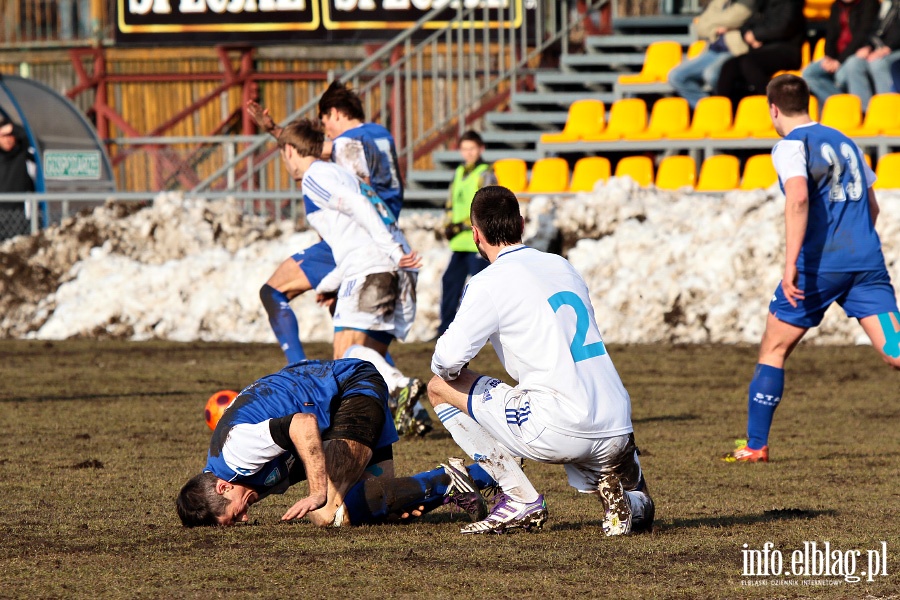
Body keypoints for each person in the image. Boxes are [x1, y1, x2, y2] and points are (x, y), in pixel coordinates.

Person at [427, 186, 655, 536]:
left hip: (558, 425)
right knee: (640, 508)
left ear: (476, 234)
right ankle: (628, 501)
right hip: (615, 420)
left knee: (439, 387)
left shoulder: (488, 281)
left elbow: (448, 359)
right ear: (521, 224)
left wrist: (458, 374)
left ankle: (519, 498)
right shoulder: (561, 265)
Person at [724, 74, 900, 463]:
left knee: (774, 347)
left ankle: (756, 445)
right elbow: (873, 207)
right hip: (866, 262)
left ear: (773, 108)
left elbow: (799, 198)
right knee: (894, 350)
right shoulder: (846, 141)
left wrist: (790, 265)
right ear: (809, 102)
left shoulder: (791, 146)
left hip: (819, 267)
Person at [176, 358, 498, 527]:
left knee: (329, 515)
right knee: (374, 504)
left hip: (351, 389)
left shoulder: (236, 454)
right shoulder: (224, 478)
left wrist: (319, 493)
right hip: (337, 412)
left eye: (235, 515)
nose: (245, 518)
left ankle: (457, 480)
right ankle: (479, 475)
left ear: (222, 487)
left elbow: (303, 425)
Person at [274, 118, 430, 435]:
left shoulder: (314, 175)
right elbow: (352, 236)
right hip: (390, 265)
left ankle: (401, 387)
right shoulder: (341, 173)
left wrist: (389, 249)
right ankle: (410, 414)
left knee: (346, 353)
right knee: (365, 356)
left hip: (376, 264)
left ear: (290, 151)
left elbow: (358, 207)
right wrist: (331, 283)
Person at [246, 81, 404, 365]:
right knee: (358, 332)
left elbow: (310, 151)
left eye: (323, 121)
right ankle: (400, 396)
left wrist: (274, 131)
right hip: (383, 233)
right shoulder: (381, 135)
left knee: (273, 291)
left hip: (358, 242)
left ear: (335, 113)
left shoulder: (347, 143)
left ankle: (297, 372)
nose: (324, 130)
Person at [437, 131, 497, 337]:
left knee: (479, 288)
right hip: (459, 243)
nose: (468, 153)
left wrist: (464, 225)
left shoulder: (485, 173)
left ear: (481, 149)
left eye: (472, 148)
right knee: (450, 282)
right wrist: (448, 225)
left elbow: (488, 205)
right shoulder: (459, 172)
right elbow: (450, 202)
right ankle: (444, 329)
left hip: (477, 242)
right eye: (464, 149)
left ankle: (483, 332)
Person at [714, 0, 806, 107]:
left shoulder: (791, 3)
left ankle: (773, 105)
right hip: (762, 50)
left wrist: (757, 35)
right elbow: (746, 25)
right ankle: (728, 110)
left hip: (785, 51)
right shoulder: (763, 3)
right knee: (729, 65)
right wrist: (749, 36)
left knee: (749, 63)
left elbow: (784, 27)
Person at [668, 0, 756, 109]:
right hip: (712, 51)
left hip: (733, 51)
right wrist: (719, 28)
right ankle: (708, 110)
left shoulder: (747, 2)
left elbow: (733, 19)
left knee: (711, 74)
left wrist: (712, 23)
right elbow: (700, 26)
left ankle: (725, 108)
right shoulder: (719, 2)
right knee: (676, 76)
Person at [802, 0, 880, 106]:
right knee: (808, 73)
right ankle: (845, 106)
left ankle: (859, 109)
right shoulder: (836, 5)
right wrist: (829, 57)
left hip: (855, 54)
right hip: (836, 58)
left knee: (842, 75)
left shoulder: (869, 4)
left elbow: (861, 37)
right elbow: (830, 35)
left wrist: (839, 61)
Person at [842, 0, 900, 111]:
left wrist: (887, 48)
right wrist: (869, 47)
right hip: (880, 48)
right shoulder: (886, 4)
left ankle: (887, 110)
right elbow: (874, 30)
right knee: (854, 63)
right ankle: (865, 111)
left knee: (877, 63)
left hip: (895, 48)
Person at [0, 118, 34, 240]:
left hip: (17, 212)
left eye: (11, 136)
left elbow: (30, 138)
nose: (8, 139)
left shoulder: (21, 151)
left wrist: (13, 128)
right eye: (4, 136)